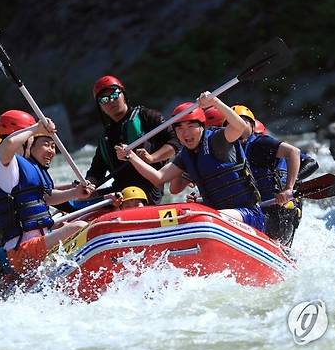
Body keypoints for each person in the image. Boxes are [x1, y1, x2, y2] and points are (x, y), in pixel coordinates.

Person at [116, 93, 265, 231]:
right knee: (192, 218)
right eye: (179, 128)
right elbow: (158, 178)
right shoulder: (185, 156)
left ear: (202, 127)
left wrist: (214, 101)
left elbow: (240, 126)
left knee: (204, 218)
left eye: (190, 126)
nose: (185, 133)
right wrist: (131, 157)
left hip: (247, 214)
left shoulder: (218, 140)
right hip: (213, 217)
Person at [0, 117, 93, 275]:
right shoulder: (4, 165)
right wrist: (36, 128)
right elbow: (8, 144)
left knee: (74, 226)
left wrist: (74, 193)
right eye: (33, 139)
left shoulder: (26, 167)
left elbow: (46, 198)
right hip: (21, 249)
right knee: (80, 228)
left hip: (36, 244)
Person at [85, 75, 180, 204]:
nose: (110, 102)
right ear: (100, 106)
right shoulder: (106, 137)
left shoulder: (147, 116)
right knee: (77, 200)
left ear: (123, 95)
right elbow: (96, 171)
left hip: (148, 190)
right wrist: (88, 185)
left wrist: (153, 158)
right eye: (104, 100)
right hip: (120, 192)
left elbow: (175, 142)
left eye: (114, 95)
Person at [230, 104, 309, 247]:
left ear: (252, 126)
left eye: (243, 121)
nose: (238, 126)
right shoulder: (230, 152)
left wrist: (288, 188)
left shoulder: (261, 143)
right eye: (232, 123)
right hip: (255, 211)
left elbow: (294, 153)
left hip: (276, 212)